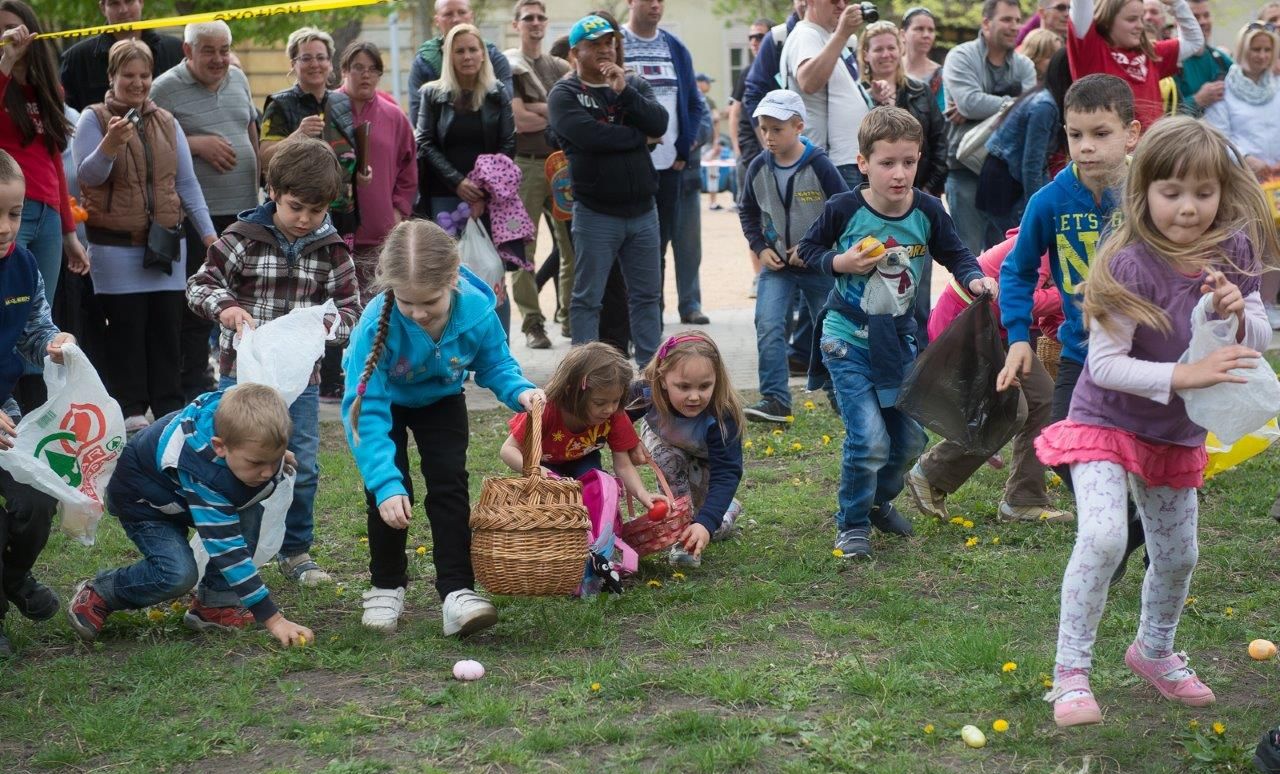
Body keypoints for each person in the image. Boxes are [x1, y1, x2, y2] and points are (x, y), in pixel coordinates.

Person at [1036, 116, 1276, 727]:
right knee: (1104, 537)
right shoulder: (1127, 264)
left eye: (1203, 192)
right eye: (1173, 193)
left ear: (1224, 189)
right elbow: (1106, 366)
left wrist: (1237, 314)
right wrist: (1182, 377)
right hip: (1104, 422)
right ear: (1144, 193)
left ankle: (1155, 650)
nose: (1189, 208)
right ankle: (1070, 674)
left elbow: (1260, 333)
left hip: (1172, 432)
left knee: (1178, 556)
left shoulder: (1235, 249)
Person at [798, 107, 997, 558]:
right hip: (845, 335)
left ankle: (876, 502)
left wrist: (975, 279)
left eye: (909, 162)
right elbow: (807, 250)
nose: (900, 173)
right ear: (864, 162)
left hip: (899, 340)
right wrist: (840, 263)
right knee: (868, 438)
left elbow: (957, 254)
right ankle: (850, 523)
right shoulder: (844, 208)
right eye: (888, 163)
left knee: (909, 439)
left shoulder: (927, 210)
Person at [343, 219, 543, 636]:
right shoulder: (372, 326)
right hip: (385, 406)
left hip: (442, 400)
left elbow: (495, 364)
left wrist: (520, 391)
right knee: (389, 496)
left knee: (450, 487)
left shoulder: (478, 312)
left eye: (429, 302)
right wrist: (385, 483)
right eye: (406, 303)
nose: (417, 313)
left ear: (452, 280)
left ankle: (457, 591)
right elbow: (367, 409)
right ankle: (386, 585)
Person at [187, 137, 361, 588]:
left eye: (316, 211)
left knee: (298, 462)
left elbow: (352, 311)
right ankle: (229, 548)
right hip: (239, 376)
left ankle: (295, 548)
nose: (305, 219)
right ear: (272, 192)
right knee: (234, 460)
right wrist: (224, 306)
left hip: (300, 381)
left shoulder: (332, 249)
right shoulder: (241, 239)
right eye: (296, 207)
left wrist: (324, 328)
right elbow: (200, 284)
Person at [997, 75, 1148, 581]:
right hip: (1081, 355)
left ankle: (1153, 528)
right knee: (1060, 447)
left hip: (1151, 357)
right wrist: (1018, 336)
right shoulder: (1050, 201)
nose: (1085, 147)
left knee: (1153, 459)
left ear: (1132, 134)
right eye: (1074, 134)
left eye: (1100, 133)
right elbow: (1016, 272)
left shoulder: (1151, 196)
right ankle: (1126, 523)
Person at [66, 384, 315, 646]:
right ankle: (101, 593)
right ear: (220, 447)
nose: (267, 472)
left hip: (180, 496)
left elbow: (255, 457)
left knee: (248, 506)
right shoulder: (204, 472)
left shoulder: (237, 436)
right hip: (145, 504)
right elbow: (228, 550)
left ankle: (216, 605)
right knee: (177, 574)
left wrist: (270, 454)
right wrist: (273, 619)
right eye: (256, 463)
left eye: (273, 459)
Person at [74, 39, 217, 435]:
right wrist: (109, 147)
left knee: (167, 329)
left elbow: (187, 183)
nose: (137, 84)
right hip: (115, 247)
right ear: (111, 77)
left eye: (144, 76)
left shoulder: (166, 122)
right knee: (127, 331)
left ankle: (169, 408)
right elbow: (87, 178)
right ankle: (132, 408)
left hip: (166, 243)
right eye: (128, 76)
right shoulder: (95, 119)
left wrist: (207, 235)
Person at [905, 228, 1071, 525]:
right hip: (968, 324)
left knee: (1044, 399)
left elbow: (1049, 320)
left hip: (1004, 330)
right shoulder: (1043, 243)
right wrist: (1066, 295)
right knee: (1010, 410)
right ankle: (930, 473)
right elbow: (1013, 297)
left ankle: (1023, 500)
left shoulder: (1072, 254)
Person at [547, 14, 669, 368]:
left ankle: (650, 373)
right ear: (575, 52)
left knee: (647, 296)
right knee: (588, 298)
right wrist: (639, 138)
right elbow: (589, 139)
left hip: (644, 211)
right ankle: (583, 373)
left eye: (609, 43)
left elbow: (659, 123)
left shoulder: (632, 85)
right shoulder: (565, 94)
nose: (605, 50)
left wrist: (624, 92)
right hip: (596, 213)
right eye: (595, 45)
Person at [150, 21, 259, 404]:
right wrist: (194, 144)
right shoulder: (163, 88)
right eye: (208, 51)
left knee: (244, 299)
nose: (218, 59)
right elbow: (150, 144)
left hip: (244, 211)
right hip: (198, 219)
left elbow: (250, 132)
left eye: (223, 50)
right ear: (187, 51)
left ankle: (240, 378)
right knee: (198, 304)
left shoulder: (239, 80)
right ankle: (193, 385)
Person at [260, 27, 365, 402]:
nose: (315, 64)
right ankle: (302, 371)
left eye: (321, 57)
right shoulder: (282, 103)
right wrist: (297, 136)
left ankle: (333, 374)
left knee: (337, 289)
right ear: (294, 64)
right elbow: (264, 155)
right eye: (306, 57)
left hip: (341, 212)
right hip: (297, 219)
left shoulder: (339, 103)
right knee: (304, 290)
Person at [0, 150, 75, 658]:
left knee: (39, 497)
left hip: (4, 410)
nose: (7, 227)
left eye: (14, 212)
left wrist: (52, 341)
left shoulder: (24, 265)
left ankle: (12, 577)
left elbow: (33, 330)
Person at [737, 90, 846, 424]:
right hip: (777, 268)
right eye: (764, 128)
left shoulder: (821, 165)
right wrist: (760, 248)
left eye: (777, 129)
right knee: (768, 324)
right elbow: (748, 212)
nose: (768, 136)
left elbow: (843, 210)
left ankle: (842, 395)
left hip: (818, 266)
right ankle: (775, 400)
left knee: (832, 330)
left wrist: (814, 246)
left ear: (799, 126)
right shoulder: (758, 167)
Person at [623, 0, 709, 325]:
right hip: (630, 167)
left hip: (671, 167)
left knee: (670, 242)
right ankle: (641, 318)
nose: (656, 5)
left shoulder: (674, 47)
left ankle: (661, 316)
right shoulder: (615, 43)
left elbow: (694, 104)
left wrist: (684, 148)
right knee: (640, 248)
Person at [626, 332, 744, 568]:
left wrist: (705, 524)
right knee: (669, 460)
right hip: (665, 443)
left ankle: (728, 510)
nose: (694, 396)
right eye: (683, 386)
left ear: (716, 380)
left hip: (705, 458)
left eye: (704, 386)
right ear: (662, 379)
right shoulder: (645, 391)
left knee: (710, 525)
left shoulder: (722, 414)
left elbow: (726, 473)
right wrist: (628, 440)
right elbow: (614, 414)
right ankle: (680, 537)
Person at [500, 343, 659, 512]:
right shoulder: (546, 409)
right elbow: (508, 450)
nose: (610, 409)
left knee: (598, 490)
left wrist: (642, 493)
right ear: (572, 392)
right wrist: (541, 473)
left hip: (583, 459)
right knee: (552, 505)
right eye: (600, 402)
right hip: (542, 463)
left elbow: (623, 465)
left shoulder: (614, 414)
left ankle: (594, 535)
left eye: (616, 401)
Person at [0, 2, 88, 304]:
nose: (9, 34)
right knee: (10, 310)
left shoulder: (47, 88)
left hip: (47, 216)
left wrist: (69, 233)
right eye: (1, 30)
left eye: (14, 26)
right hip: (10, 213)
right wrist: (5, 64)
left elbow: (54, 162)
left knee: (40, 314)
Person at [943, 0, 1037, 254]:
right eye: (1007, 19)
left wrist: (981, 105)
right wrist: (1014, 104)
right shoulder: (961, 56)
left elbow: (1032, 110)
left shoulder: (1024, 65)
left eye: (1017, 20)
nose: (1014, 27)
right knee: (968, 260)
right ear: (986, 23)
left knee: (1004, 258)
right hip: (964, 172)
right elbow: (970, 102)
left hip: (1006, 173)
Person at [506, 0, 570, 350]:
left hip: (561, 164)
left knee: (572, 246)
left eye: (540, 17)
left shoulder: (559, 65)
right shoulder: (509, 64)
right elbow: (518, 119)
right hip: (525, 163)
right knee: (522, 251)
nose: (535, 22)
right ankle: (533, 324)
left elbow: (569, 111)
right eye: (528, 17)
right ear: (516, 24)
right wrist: (553, 111)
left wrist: (538, 107)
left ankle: (571, 316)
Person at [336, 41, 417, 301]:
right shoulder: (328, 109)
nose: (366, 74)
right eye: (358, 67)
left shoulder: (394, 116)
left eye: (373, 69)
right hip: (334, 230)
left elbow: (409, 169)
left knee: (379, 308)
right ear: (344, 71)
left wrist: (398, 210)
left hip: (380, 231)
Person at [978, 48, 1073, 243]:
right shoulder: (1045, 106)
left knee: (1002, 247)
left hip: (1004, 177)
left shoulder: (1045, 96)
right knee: (1013, 249)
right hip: (1005, 182)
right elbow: (1032, 163)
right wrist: (1036, 209)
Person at [1066, 0, 1203, 130]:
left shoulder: (1151, 54)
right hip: (1106, 150)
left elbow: (1194, 42)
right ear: (1108, 20)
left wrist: (1177, 4)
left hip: (1148, 151)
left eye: (1141, 18)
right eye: (1131, 19)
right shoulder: (1090, 49)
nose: (1140, 26)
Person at [781, 0, 870, 187]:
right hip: (833, 161)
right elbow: (809, 81)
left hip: (844, 159)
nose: (841, 5)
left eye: (845, 1)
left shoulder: (825, 36)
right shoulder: (806, 34)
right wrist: (842, 34)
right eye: (833, 0)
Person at [859, 21, 947, 196]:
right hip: (873, 199)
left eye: (891, 48)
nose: (886, 54)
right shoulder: (856, 94)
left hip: (921, 194)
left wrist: (927, 191)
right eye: (878, 49)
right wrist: (872, 100)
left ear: (901, 50)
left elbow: (940, 144)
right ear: (866, 55)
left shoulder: (921, 91)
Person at [58, 0, 184, 112]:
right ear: (103, 8)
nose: (123, 10)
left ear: (141, 2)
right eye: (114, 3)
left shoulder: (175, 50)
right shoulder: (76, 59)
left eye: (129, 1)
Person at [407, 0, 512, 128]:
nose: (456, 19)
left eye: (462, 12)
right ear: (437, 20)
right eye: (448, 14)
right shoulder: (424, 62)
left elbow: (507, 107)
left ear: (471, 16)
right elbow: (418, 119)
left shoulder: (494, 57)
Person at [1205, 23, 1280, 180]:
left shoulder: (1277, 84)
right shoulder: (1222, 90)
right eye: (1256, 49)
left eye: (1267, 50)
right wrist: (1246, 159)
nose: (1262, 56)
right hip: (1244, 178)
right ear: (1243, 49)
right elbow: (1218, 138)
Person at [1171, 0, 1232, 117]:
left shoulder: (1221, 59)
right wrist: (1197, 100)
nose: (1203, 21)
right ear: (1177, 22)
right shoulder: (1169, 59)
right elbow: (1161, 116)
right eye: (1195, 17)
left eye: (1206, 15)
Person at [902, 6, 946, 114]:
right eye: (919, 29)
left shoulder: (940, 76)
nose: (926, 35)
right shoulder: (889, 68)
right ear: (903, 34)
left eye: (931, 30)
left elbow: (941, 116)